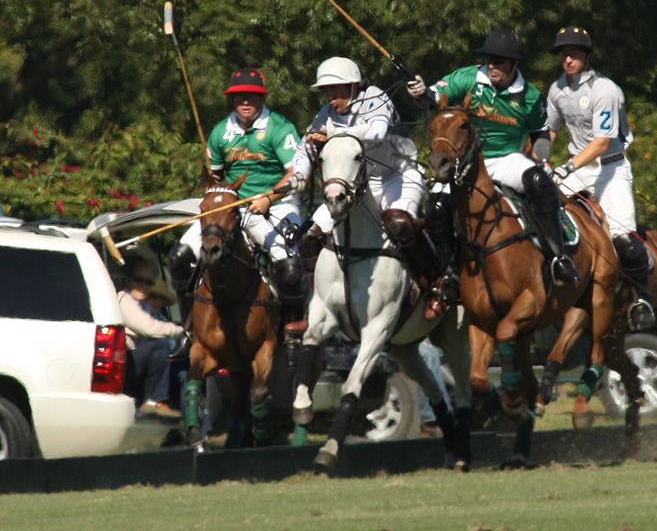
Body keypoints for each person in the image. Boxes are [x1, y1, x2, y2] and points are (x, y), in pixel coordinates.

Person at [407, 28, 581, 314]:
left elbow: (539, 133)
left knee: (538, 182)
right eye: (489, 59)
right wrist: (419, 93)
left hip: (507, 159)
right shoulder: (467, 78)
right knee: (437, 205)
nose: (492, 65)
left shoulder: (530, 95)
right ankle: (449, 274)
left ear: (515, 64)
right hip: (467, 160)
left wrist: (544, 161)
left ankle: (557, 258)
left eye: (500, 61)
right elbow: (433, 99)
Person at [168, 67, 310, 358]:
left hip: (276, 204)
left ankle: (294, 332)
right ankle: (189, 331)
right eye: (239, 96)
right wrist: (215, 204)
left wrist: (269, 198)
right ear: (231, 100)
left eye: (253, 96)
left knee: (290, 267)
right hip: (229, 209)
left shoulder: (280, 128)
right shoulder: (221, 131)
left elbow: (296, 171)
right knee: (179, 258)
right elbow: (215, 180)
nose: (246, 101)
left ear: (262, 99)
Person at [291, 57, 438, 313]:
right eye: (326, 90)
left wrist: (331, 135)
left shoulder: (375, 98)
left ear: (353, 85)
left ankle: (436, 283)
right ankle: (318, 305)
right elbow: (304, 149)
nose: (330, 96)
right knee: (307, 238)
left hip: (398, 176)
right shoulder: (327, 114)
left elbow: (377, 132)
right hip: (361, 184)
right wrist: (299, 175)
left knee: (399, 223)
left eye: (335, 88)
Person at [542, 25, 655, 331]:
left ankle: (641, 300)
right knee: (540, 213)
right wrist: (539, 157)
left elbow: (602, 141)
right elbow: (549, 130)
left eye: (574, 53)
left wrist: (566, 167)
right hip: (577, 169)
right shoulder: (557, 90)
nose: (568, 59)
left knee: (624, 241)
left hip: (610, 168)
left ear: (587, 56)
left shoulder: (605, 90)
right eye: (563, 54)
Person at [119, 259, 185, 418]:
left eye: (148, 282)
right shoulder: (124, 299)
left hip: (142, 367)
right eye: (138, 280)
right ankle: (154, 401)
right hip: (127, 367)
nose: (143, 285)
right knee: (160, 343)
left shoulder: (146, 308)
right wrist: (181, 331)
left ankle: (194, 426)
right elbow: (150, 329)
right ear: (128, 280)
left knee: (183, 372)